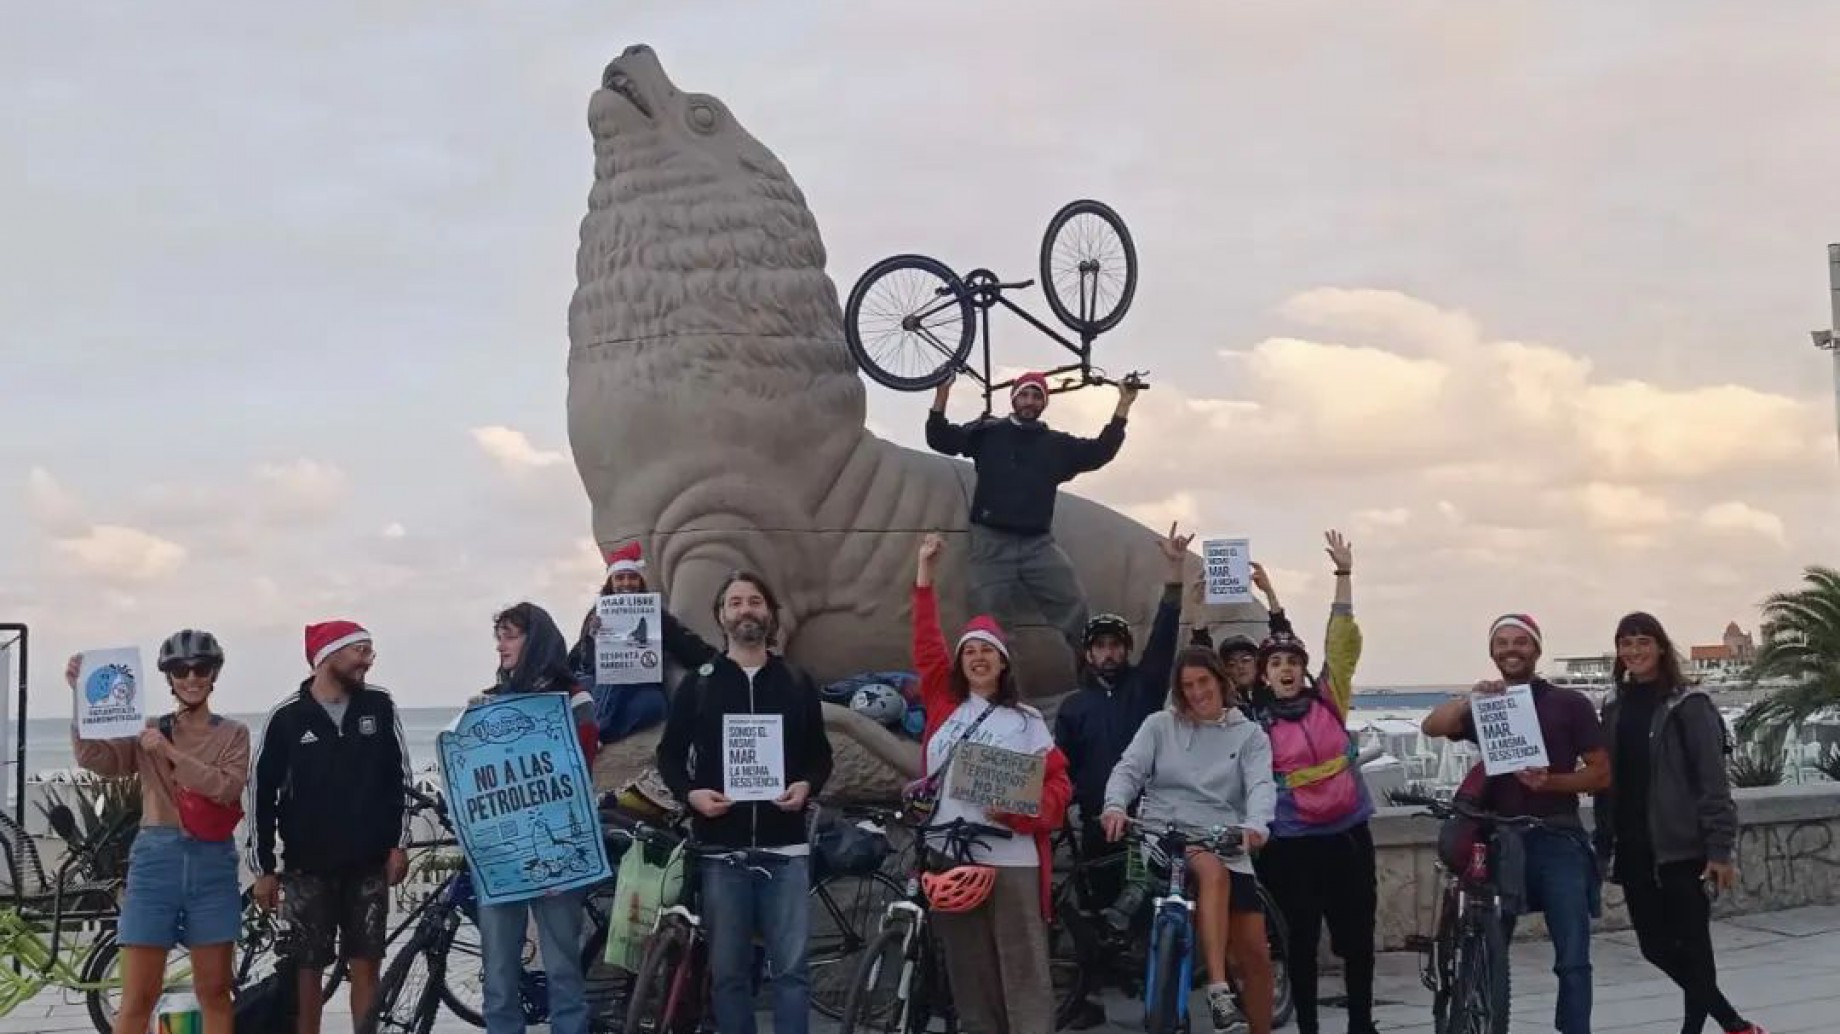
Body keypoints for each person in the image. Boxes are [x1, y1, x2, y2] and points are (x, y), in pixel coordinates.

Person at [655, 571, 834, 1034]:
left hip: (786, 852)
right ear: (721, 616)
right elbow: (669, 756)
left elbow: (820, 756)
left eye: (755, 601)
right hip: (721, 852)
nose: (745, 610)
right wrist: (691, 795)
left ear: (769, 613)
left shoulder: (796, 681)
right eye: (735, 603)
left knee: (791, 974)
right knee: (729, 975)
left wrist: (806, 787)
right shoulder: (698, 684)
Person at [912, 532, 1072, 1034]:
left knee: (1023, 975)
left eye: (988, 651)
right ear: (960, 664)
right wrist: (924, 575)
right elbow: (925, 644)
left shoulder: (1027, 721)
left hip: (1011, 859)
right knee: (970, 977)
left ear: (1003, 663)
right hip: (951, 855)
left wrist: (1018, 811)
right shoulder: (945, 706)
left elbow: (1058, 792)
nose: (978, 657)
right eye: (969, 651)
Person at [1421, 614, 1609, 1034]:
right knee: (1485, 952)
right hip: (1496, 836)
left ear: (1537, 649)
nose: (1510, 650)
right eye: (1502, 642)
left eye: (1520, 642)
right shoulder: (1489, 704)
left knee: (1573, 958)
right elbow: (1432, 725)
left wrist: (1552, 780)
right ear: (1492, 652)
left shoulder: (1570, 704)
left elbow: (1601, 774)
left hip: (1557, 835)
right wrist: (1471, 700)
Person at [69, 631, 250, 1034]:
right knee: (137, 997)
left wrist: (166, 752)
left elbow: (224, 787)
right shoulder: (147, 728)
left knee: (216, 991)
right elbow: (96, 758)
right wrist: (80, 699)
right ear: (168, 677)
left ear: (213, 673)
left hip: (212, 862)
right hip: (156, 860)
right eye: (179, 670)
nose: (190, 677)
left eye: (200, 668)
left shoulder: (233, 734)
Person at [1594, 613, 1764, 1034]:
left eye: (1642, 642)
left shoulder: (1689, 705)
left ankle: (1703, 1029)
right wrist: (1603, 841)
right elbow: (1606, 779)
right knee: (1653, 946)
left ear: (1661, 648)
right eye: (1625, 643)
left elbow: (1712, 783)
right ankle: (1734, 1023)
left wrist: (1719, 850)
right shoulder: (1613, 707)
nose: (1633, 651)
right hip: (1634, 845)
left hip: (1683, 846)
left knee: (1694, 946)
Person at [245, 620, 412, 1034]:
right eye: (360, 651)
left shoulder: (380, 705)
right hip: (306, 868)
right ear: (327, 656)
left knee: (368, 965)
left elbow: (400, 778)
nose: (368, 661)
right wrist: (264, 868)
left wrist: (399, 844)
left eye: (370, 652)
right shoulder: (286, 717)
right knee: (306, 972)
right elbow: (260, 795)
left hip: (369, 864)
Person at [1243, 533, 1378, 1034]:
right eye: (1275, 663)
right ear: (1263, 675)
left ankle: (1363, 1025)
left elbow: (1340, 645)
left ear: (1303, 670)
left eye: (1293, 662)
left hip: (1347, 836)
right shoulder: (1253, 724)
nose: (1285, 669)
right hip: (1292, 846)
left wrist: (1343, 577)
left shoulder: (1328, 699)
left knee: (1358, 938)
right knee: (1300, 941)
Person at [1102, 647, 1277, 1034]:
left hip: (1224, 836)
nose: (1197, 692)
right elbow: (1129, 770)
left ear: (1220, 681)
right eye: (1187, 686)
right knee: (1210, 872)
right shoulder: (1158, 726)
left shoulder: (1249, 735)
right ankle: (1217, 990)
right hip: (1165, 834)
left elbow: (1262, 785)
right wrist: (1114, 806)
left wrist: (1256, 825)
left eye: (1204, 682)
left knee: (1253, 955)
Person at [924, 370, 1139, 657]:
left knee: (1075, 608)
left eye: (1037, 396)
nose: (1030, 401)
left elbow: (1099, 452)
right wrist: (942, 394)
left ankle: (1095, 678)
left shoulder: (1055, 445)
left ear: (1044, 403)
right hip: (990, 545)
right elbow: (940, 439)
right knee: (991, 630)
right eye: (1023, 394)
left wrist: (1123, 405)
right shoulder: (988, 433)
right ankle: (999, 696)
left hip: (1037, 545)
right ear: (1013, 399)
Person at [473, 603, 601, 1034]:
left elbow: (581, 764)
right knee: (499, 972)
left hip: (558, 849)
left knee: (564, 966)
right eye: (500, 636)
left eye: (510, 635)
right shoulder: (488, 701)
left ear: (536, 639)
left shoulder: (575, 697)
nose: (501, 644)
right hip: (502, 853)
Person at [1053, 523, 1189, 919]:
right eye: (1100, 646)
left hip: (1146, 820)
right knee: (1096, 907)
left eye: (1116, 645)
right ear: (1089, 654)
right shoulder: (1073, 706)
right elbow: (1061, 765)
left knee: (1144, 907)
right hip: (1096, 822)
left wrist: (1174, 577)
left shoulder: (1145, 687)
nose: (1109, 653)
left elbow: (1164, 637)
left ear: (1126, 650)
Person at [565, 542, 719, 743]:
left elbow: (686, 644)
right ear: (611, 582)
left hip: (640, 686)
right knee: (615, 674)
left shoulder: (656, 616)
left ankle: (603, 734)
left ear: (640, 581)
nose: (626, 583)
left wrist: (719, 662)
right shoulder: (597, 614)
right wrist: (592, 638)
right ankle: (597, 730)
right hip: (601, 684)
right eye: (620, 578)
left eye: (632, 577)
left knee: (655, 706)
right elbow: (579, 661)